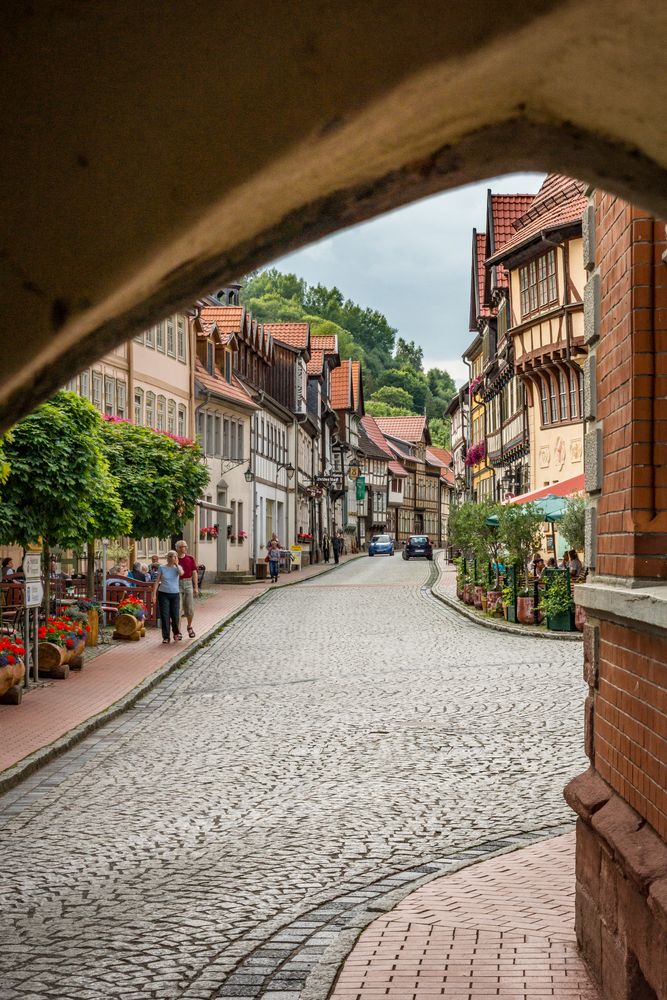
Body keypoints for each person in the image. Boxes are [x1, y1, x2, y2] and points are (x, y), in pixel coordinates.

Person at [152, 550, 183, 644]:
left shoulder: (178, 568)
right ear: (168, 558)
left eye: (174, 556)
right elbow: (157, 581)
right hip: (163, 593)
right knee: (165, 615)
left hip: (175, 594)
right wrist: (154, 595)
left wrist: (177, 564)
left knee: (175, 615)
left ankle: (176, 633)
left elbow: (181, 573)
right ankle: (166, 637)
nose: (172, 558)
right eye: (171, 556)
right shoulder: (162, 567)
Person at [175, 539, 199, 637]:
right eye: (181, 547)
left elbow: (194, 572)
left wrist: (196, 587)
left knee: (189, 608)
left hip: (188, 583)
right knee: (178, 609)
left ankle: (189, 627)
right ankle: (178, 631)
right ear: (177, 548)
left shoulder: (190, 558)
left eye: (185, 546)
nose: (184, 548)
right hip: (177, 584)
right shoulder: (174, 558)